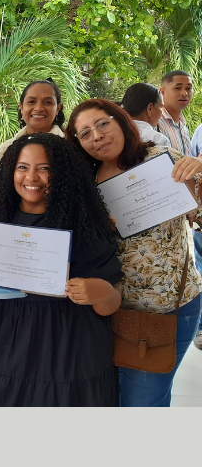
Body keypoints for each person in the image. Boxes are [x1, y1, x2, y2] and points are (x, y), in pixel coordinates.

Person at [0, 133, 122, 406]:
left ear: (62, 174)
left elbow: (112, 303)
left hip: (73, 347)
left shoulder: (85, 222)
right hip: (12, 343)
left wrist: (97, 291)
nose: (31, 177)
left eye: (44, 168)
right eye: (22, 167)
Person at [67, 99, 202, 407]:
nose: (97, 136)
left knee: (142, 403)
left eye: (103, 124)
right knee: (110, 398)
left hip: (166, 306)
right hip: (104, 310)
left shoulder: (162, 160)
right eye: (84, 133)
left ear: (121, 121)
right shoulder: (85, 183)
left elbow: (198, 213)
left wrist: (200, 173)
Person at [0, 78, 65, 167]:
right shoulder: (5, 149)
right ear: (21, 107)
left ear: (58, 108)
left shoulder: (71, 147)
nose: (38, 108)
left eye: (48, 102)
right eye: (31, 102)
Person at [157, 70, 193, 156]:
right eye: (178, 88)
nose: (184, 93)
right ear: (163, 92)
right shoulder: (155, 122)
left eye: (188, 88)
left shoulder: (183, 125)